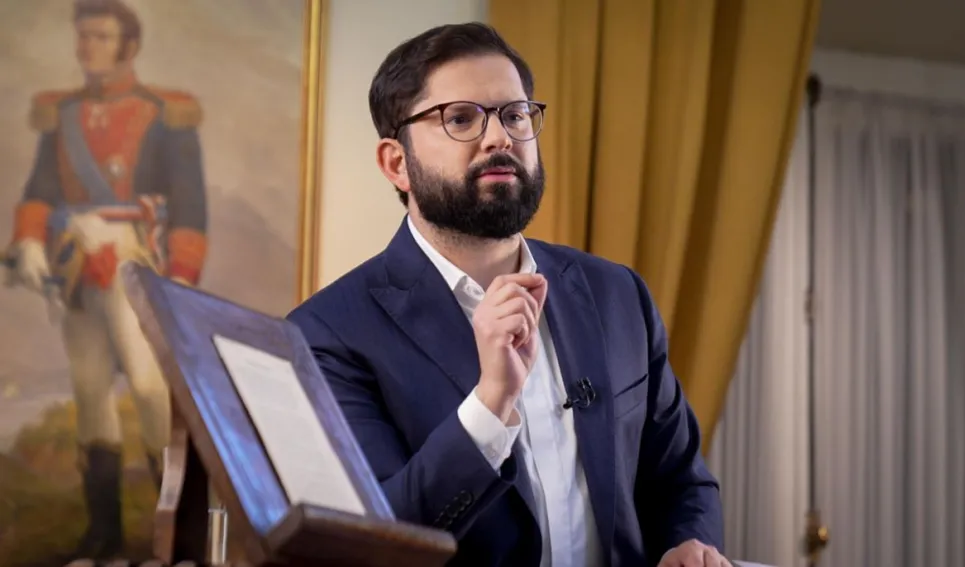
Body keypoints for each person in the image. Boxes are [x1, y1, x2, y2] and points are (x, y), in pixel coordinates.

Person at [287, 22, 727, 567]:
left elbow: (681, 479)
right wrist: (491, 404)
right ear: (396, 163)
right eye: (461, 118)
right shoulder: (323, 335)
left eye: (515, 115)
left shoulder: (618, 294)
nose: (499, 138)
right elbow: (376, 541)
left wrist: (688, 543)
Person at [5, 0, 208, 560]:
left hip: (137, 262)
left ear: (128, 47)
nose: (86, 46)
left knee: (148, 389)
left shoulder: (166, 114)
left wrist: (182, 281)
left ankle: (178, 537)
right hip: (74, 262)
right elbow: (41, 190)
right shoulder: (62, 116)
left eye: (99, 36)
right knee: (91, 392)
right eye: (83, 36)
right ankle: (104, 539)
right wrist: (27, 238)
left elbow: (190, 205)